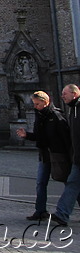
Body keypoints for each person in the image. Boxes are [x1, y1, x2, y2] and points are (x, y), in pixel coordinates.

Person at [16, 91, 71, 221]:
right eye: (34, 104)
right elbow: (38, 136)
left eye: (37, 104)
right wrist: (27, 135)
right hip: (44, 155)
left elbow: (66, 138)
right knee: (41, 183)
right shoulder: (39, 115)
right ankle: (40, 211)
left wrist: (69, 156)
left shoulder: (56, 116)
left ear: (46, 102)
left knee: (68, 182)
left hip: (58, 155)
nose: (35, 106)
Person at [53, 84, 80, 225]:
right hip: (76, 157)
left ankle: (62, 213)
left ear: (74, 94)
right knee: (74, 184)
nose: (62, 96)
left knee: (72, 183)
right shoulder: (73, 109)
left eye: (65, 94)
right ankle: (62, 213)